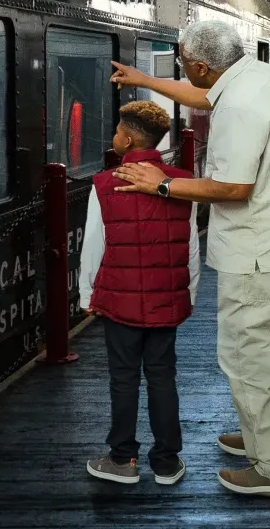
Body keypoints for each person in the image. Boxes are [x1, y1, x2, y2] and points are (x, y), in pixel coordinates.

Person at [110, 19, 270, 500]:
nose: (185, 74)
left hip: (261, 247)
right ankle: (259, 435)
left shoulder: (242, 107)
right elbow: (204, 96)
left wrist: (159, 183)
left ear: (203, 65)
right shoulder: (256, 77)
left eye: (186, 65)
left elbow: (232, 188)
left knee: (247, 357)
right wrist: (143, 80)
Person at [79, 101, 200, 487]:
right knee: (163, 376)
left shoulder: (103, 183)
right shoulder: (182, 182)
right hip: (167, 300)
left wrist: (87, 296)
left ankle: (122, 459)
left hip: (120, 301)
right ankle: (166, 462)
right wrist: (189, 293)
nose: (113, 136)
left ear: (127, 139)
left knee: (123, 378)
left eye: (117, 130)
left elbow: (93, 248)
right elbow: (190, 247)